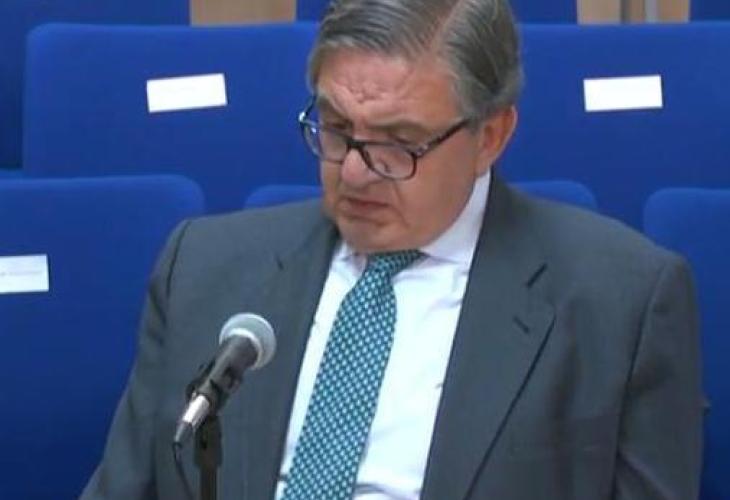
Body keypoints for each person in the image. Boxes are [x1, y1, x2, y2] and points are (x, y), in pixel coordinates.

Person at [81, 0, 703, 498]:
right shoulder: (204, 268)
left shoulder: (619, 302)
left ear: (491, 136)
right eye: (336, 128)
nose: (355, 172)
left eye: (399, 142)